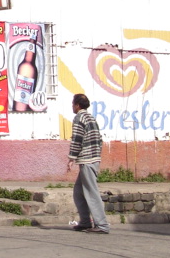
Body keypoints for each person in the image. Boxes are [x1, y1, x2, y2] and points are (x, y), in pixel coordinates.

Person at [67, 93, 110, 234]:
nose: (72, 106)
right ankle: (85, 222)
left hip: (88, 160)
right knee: (79, 192)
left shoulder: (79, 117)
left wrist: (71, 158)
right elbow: (99, 139)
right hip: (93, 158)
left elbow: (77, 139)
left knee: (91, 192)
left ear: (77, 105)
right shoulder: (91, 117)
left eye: (73, 103)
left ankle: (102, 225)